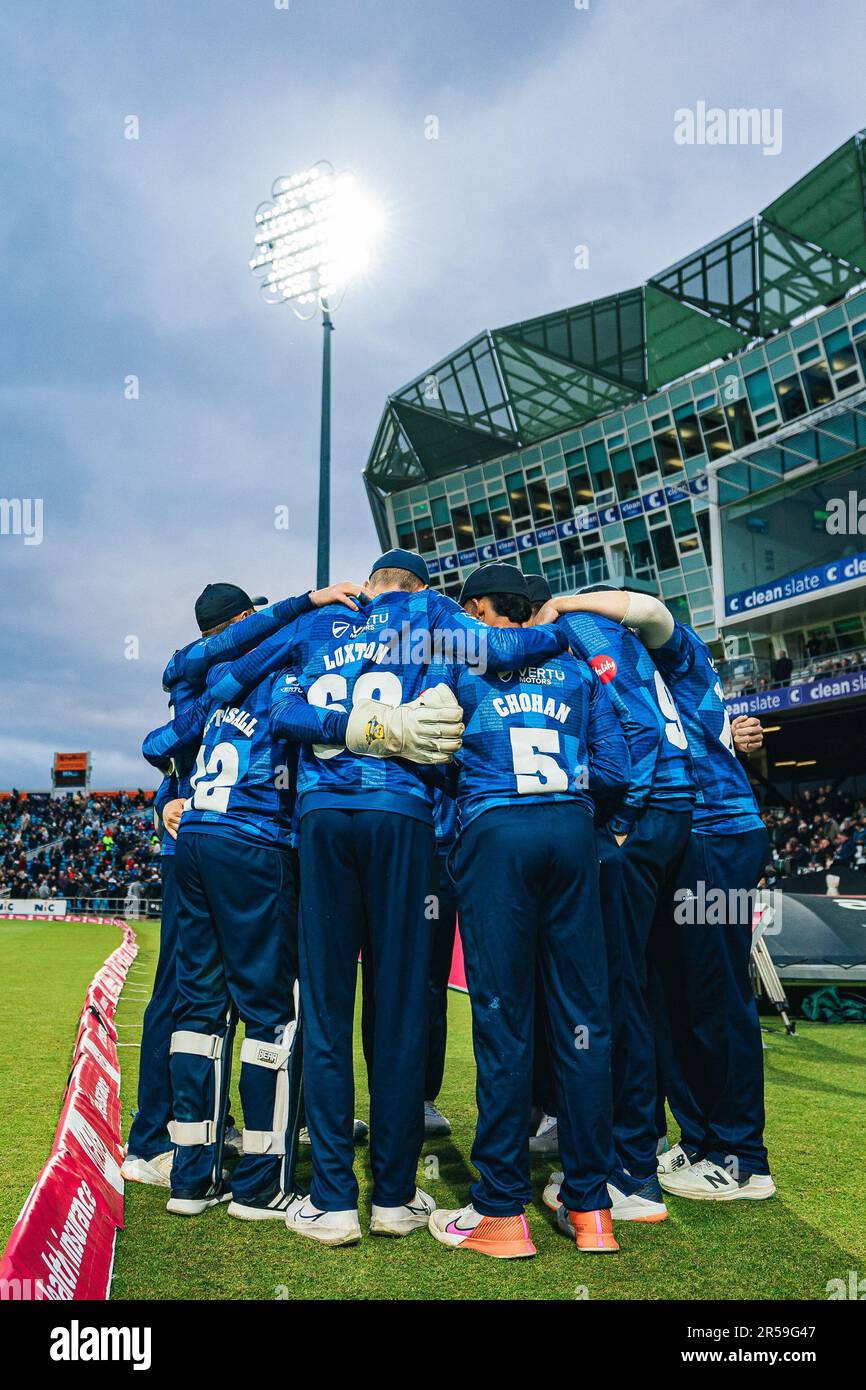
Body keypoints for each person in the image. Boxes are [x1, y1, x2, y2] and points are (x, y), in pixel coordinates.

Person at [274, 548, 570, 1248]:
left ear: (368, 585)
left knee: (324, 1002)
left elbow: (277, 707)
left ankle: (332, 1199)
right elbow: (514, 645)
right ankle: (396, 1195)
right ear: (424, 587)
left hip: (319, 816)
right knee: (401, 1004)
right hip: (403, 815)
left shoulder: (324, 624)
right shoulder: (436, 616)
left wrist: (344, 716)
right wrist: (560, 619)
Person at [142, 597, 462, 1220]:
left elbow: (161, 742)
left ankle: (190, 1176)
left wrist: (171, 796)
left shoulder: (213, 681)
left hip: (198, 838)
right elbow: (298, 723)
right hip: (261, 843)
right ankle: (263, 1184)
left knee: (196, 1010)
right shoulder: (292, 672)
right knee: (272, 1014)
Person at [122, 579, 364, 1188]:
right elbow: (164, 744)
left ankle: (222, 1136)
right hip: (232, 840)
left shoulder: (225, 672)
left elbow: (171, 744)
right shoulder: (206, 665)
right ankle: (158, 1137)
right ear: (240, 622)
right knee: (211, 999)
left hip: (208, 834)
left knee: (207, 1001)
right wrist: (304, 608)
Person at [542, 588, 776, 1202]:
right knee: (670, 993)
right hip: (685, 833)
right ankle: (700, 1139)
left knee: (717, 994)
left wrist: (561, 604)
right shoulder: (643, 671)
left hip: (720, 832)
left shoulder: (676, 653)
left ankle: (743, 1155)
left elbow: (647, 610)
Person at [427, 564, 630, 1257]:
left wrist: (460, 824)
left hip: (496, 834)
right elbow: (616, 767)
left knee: (504, 1020)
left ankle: (500, 1211)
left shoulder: (460, 666)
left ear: (484, 606)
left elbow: (432, 760)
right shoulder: (575, 669)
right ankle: (591, 1209)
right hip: (571, 833)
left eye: (469, 607)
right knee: (583, 1020)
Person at [534, 584, 695, 1221]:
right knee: (634, 990)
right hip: (670, 814)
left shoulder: (586, 635)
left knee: (611, 996)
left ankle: (629, 1174)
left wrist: (624, 815)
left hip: (643, 819)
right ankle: (636, 1146)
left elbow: (637, 725)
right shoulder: (607, 634)